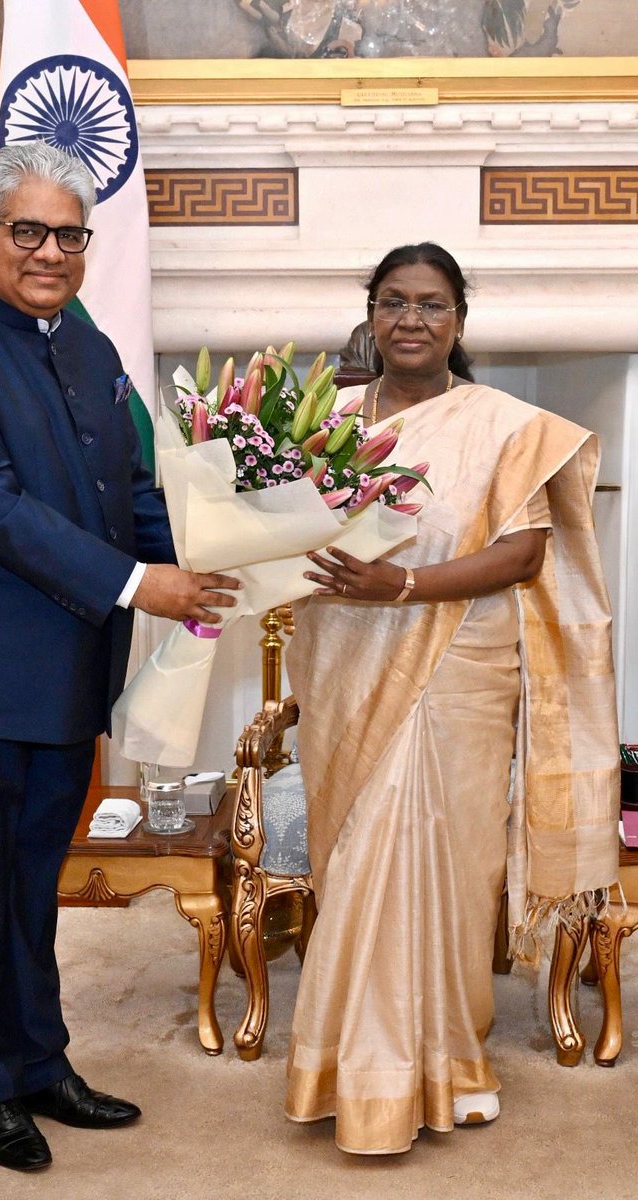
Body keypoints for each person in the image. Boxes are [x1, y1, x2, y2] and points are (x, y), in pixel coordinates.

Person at [0, 141, 239, 1173]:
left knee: (35, 888)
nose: (47, 253)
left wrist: (230, 552)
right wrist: (139, 586)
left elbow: (125, 496)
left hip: (68, 671)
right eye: (25, 231)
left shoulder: (83, 342)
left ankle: (41, 1062)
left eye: (67, 235)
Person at [284, 242, 620, 1155]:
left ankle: (445, 1063)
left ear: (459, 320)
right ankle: (347, 1069)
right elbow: (276, 537)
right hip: (345, 661)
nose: (411, 320)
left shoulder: (504, 424)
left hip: (460, 664)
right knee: (356, 860)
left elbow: (524, 555)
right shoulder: (325, 423)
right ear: (371, 314)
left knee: (447, 864)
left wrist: (400, 589)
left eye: (431, 304)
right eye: (393, 302)